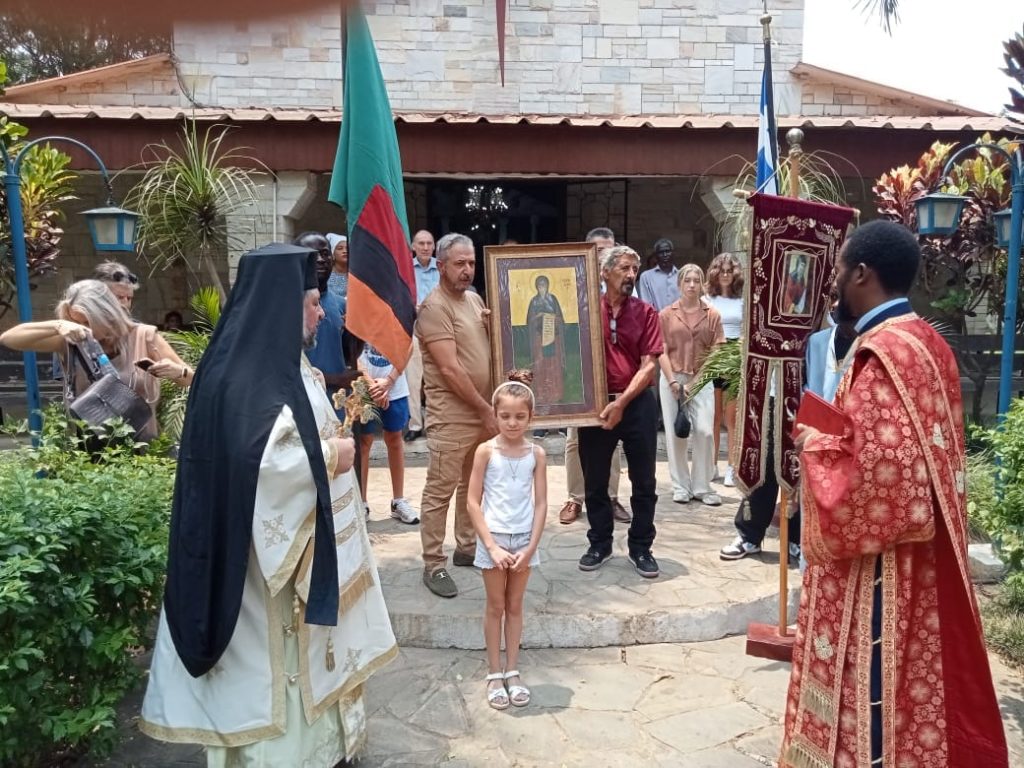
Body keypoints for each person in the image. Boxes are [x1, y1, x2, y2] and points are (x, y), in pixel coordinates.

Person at [139, 243, 397, 768]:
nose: (321, 311)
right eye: (311, 302)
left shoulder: (281, 361)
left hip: (295, 551)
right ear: (283, 307)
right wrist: (333, 457)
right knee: (274, 680)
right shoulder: (246, 373)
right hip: (259, 574)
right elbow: (255, 463)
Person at [782, 220, 1008, 768]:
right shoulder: (929, 341)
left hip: (879, 565)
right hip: (921, 554)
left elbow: (882, 480)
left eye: (839, 268)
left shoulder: (881, 353)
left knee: (876, 680)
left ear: (861, 273)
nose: (834, 279)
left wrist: (812, 444)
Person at [0, 279, 192, 440]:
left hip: (140, 448)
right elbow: (9, 338)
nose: (83, 327)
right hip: (86, 452)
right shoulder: (72, 341)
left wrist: (178, 372)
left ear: (107, 314)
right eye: (75, 321)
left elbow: (191, 379)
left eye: (87, 321)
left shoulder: (144, 336)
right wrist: (58, 325)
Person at [417, 232, 497, 598]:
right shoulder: (435, 308)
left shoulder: (474, 299)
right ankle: (433, 564)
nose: (467, 270)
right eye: (459, 263)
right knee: (440, 490)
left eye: (471, 263)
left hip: (482, 412)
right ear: (440, 265)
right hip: (453, 416)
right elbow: (450, 370)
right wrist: (485, 410)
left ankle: (466, 547)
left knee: (472, 484)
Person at [578, 245, 664, 578]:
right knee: (595, 480)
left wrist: (622, 403)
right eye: (624, 268)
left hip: (637, 405)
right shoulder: (584, 311)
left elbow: (650, 365)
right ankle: (599, 543)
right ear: (604, 273)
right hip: (595, 405)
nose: (631, 275)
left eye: (635, 269)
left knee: (644, 479)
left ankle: (641, 547)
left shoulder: (645, 313)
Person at [466, 381, 548, 710]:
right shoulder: (486, 451)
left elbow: (541, 503)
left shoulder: (536, 454)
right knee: (495, 606)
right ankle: (493, 671)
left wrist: (530, 547)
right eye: (505, 416)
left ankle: (512, 670)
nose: (512, 423)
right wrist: (491, 546)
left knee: (515, 606)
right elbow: (473, 501)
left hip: (524, 540)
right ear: (495, 415)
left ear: (530, 418)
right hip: (494, 539)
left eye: (519, 416)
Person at [559, 226, 629, 526]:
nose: (606, 254)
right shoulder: (572, 284)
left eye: (611, 248)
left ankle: (610, 496)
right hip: (579, 369)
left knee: (611, 435)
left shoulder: (628, 284)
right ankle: (576, 498)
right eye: (600, 249)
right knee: (575, 437)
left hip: (612, 374)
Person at [658, 264, 724, 506]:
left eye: (697, 280)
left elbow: (716, 352)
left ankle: (702, 486)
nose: (692, 285)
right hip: (672, 377)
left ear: (702, 284)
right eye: (687, 280)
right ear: (680, 284)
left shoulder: (712, 314)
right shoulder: (666, 314)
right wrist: (673, 380)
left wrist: (696, 382)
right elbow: (660, 350)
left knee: (705, 431)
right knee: (677, 433)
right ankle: (680, 486)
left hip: (702, 378)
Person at [357, 341, 419, 524]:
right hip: (363, 386)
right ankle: (362, 502)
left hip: (394, 385)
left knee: (394, 439)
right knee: (364, 442)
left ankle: (398, 501)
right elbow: (351, 347)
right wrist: (371, 384)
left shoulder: (399, 312)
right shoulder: (358, 312)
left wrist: (389, 381)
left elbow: (407, 346)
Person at [703, 252, 744, 486]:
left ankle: (732, 466)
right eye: (722, 271)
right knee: (713, 415)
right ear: (715, 273)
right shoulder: (707, 299)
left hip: (735, 355)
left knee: (732, 416)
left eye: (730, 271)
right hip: (713, 355)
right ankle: (710, 465)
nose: (726, 275)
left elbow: (747, 329)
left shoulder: (742, 300)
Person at [298, 232, 349, 411]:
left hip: (337, 405)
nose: (320, 259)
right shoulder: (286, 306)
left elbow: (347, 353)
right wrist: (333, 378)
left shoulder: (342, 304)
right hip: (304, 405)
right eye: (312, 254)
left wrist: (355, 335)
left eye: (325, 253)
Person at [405, 229, 438, 442]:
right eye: (421, 243)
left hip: (438, 332)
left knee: (437, 381)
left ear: (434, 246)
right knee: (413, 380)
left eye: (429, 243)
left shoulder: (442, 269)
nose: (425, 247)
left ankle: (435, 425)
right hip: (413, 331)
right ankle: (415, 425)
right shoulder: (405, 269)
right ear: (413, 246)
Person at [525, 274, 566, 406]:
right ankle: (541, 394)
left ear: (548, 286)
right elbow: (529, 321)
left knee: (553, 364)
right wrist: (538, 316)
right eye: (540, 285)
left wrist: (553, 318)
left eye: (544, 285)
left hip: (553, 336)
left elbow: (560, 318)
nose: (542, 287)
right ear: (536, 287)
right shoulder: (534, 301)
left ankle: (555, 394)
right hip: (539, 337)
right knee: (540, 364)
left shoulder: (553, 299)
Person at [637, 237, 680, 311]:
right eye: (661, 252)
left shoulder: (682, 276)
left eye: (668, 251)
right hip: (656, 320)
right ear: (656, 256)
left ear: (673, 253)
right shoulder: (646, 277)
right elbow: (647, 305)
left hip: (680, 321)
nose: (665, 255)